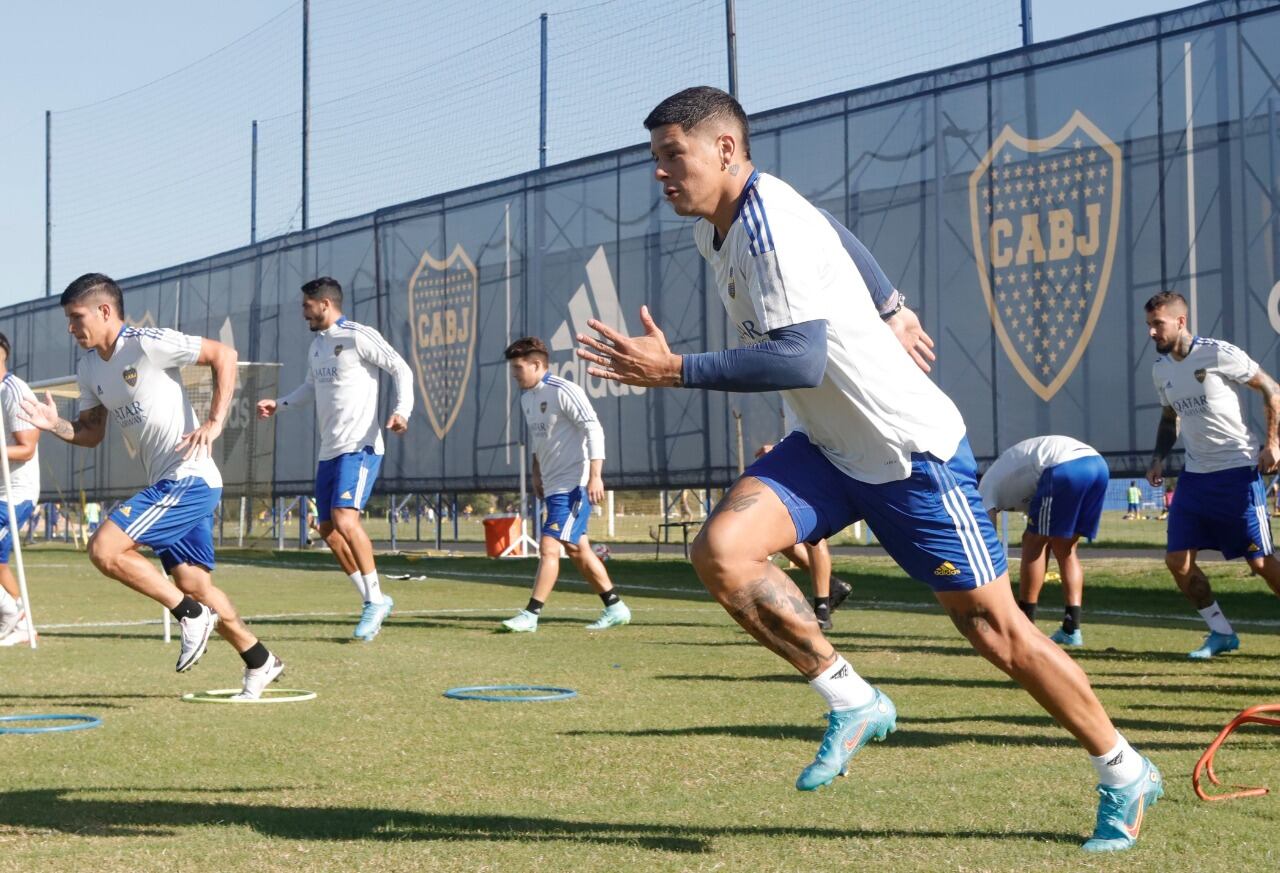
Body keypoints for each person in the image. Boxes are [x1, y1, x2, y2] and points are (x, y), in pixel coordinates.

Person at [575, 86, 1161, 852]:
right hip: (826, 447)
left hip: (906, 453)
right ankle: (851, 697)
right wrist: (890, 300)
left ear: (724, 150)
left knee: (997, 632)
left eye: (671, 156)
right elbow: (838, 235)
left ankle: (1123, 768)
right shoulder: (724, 226)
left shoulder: (769, 227)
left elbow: (800, 355)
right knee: (720, 550)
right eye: (654, 159)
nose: (659, 173)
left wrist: (676, 369)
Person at [21, 273, 284, 698]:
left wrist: (215, 422)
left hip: (190, 479)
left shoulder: (145, 342)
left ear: (105, 311)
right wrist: (55, 425)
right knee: (195, 583)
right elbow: (91, 433)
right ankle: (259, 660)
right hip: (168, 482)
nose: (71, 328)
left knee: (104, 550)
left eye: (76, 317)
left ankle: (190, 615)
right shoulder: (89, 367)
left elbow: (225, 354)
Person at [257, 277, 413, 642]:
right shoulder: (317, 347)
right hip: (329, 451)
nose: (303, 313)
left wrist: (402, 410)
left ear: (325, 304)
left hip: (360, 446)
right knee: (327, 529)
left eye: (306, 306)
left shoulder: (358, 335)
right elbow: (312, 387)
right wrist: (278, 404)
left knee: (345, 520)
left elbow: (400, 368)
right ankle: (374, 599)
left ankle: (375, 601)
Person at [1144, 290, 1280, 659]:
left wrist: (1273, 443)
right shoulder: (1161, 370)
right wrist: (1158, 457)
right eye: (1149, 326)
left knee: (1261, 562)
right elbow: (1170, 417)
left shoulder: (1217, 352)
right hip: (1195, 477)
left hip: (1236, 473)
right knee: (1177, 561)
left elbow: (1272, 389)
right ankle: (1221, 632)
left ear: (1180, 321)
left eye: (1158, 324)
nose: (1152, 333)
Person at [500, 336, 630, 633]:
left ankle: (531, 614)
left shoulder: (564, 390)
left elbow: (593, 428)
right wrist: (536, 472)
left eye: (519, 368)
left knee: (549, 548)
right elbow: (539, 440)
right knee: (578, 550)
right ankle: (616, 607)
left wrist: (596, 475)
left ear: (537, 364)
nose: (515, 374)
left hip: (574, 485)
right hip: (552, 483)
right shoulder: (526, 398)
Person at [979, 436, 1109, 648]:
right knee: (1064, 547)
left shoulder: (983, 490)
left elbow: (986, 540)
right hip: (1097, 465)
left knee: (1031, 542)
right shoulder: (1014, 484)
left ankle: (1024, 623)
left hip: (1063, 465)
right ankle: (1071, 628)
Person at [755, 439, 852, 631]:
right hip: (803, 467)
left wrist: (777, 447)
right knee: (782, 539)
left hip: (829, 466)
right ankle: (831, 585)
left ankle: (822, 611)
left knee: (814, 537)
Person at [0, 332, 40, 645]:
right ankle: (21, 620)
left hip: (16, 492)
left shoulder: (14, 390)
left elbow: (26, 448)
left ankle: (14, 616)